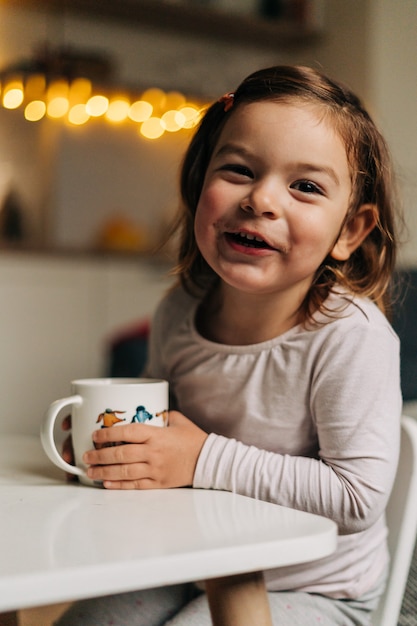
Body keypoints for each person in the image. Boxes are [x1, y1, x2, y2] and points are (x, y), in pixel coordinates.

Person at [56, 65, 403, 626]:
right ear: (200, 189)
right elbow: (163, 429)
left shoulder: (350, 337)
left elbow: (357, 497)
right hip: (191, 558)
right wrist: (120, 445)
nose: (262, 199)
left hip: (315, 587)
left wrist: (201, 458)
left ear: (350, 232)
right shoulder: (178, 310)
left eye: (306, 186)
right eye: (239, 170)